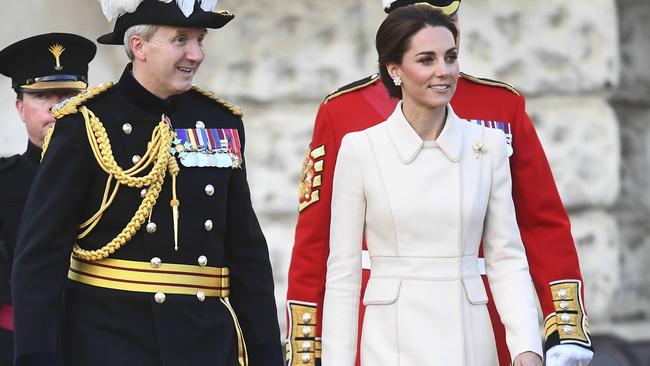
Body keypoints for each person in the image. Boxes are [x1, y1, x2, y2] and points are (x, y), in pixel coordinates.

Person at [285, 1, 594, 366]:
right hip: (384, 325)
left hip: (482, 319)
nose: (443, 68)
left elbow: (538, 225)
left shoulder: (500, 107)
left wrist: (559, 328)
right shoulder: (344, 113)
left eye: (449, 27)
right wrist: (309, 348)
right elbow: (319, 244)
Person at [11, 1, 283, 365]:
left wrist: (266, 351)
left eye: (200, 39)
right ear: (138, 46)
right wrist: (38, 357)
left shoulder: (220, 121)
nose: (196, 54)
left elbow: (248, 254)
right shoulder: (85, 124)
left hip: (206, 342)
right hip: (108, 342)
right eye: (181, 40)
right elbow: (40, 260)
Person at [0, 32, 96, 366]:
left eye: (70, 95)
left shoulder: (117, 178)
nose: (59, 108)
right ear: (20, 108)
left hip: (105, 342)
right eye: (44, 96)